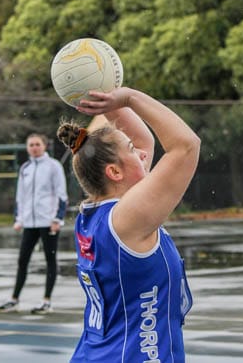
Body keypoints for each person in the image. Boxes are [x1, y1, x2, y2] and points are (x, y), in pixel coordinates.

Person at [56, 86, 200, 362]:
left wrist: (106, 97)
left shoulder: (95, 216)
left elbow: (144, 141)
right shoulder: (126, 220)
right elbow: (186, 146)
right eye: (133, 151)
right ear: (114, 172)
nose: (143, 154)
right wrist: (129, 97)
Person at [0, 133, 68, 315]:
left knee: (50, 259)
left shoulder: (53, 166)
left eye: (37, 144)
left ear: (44, 146)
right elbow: (21, 196)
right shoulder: (25, 168)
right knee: (22, 260)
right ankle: (14, 300)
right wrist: (19, 219)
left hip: (48, 222)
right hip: (29, 223)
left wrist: (57, 219)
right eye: (31, 145)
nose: (34, 148)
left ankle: (47, 301)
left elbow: (62, 194)